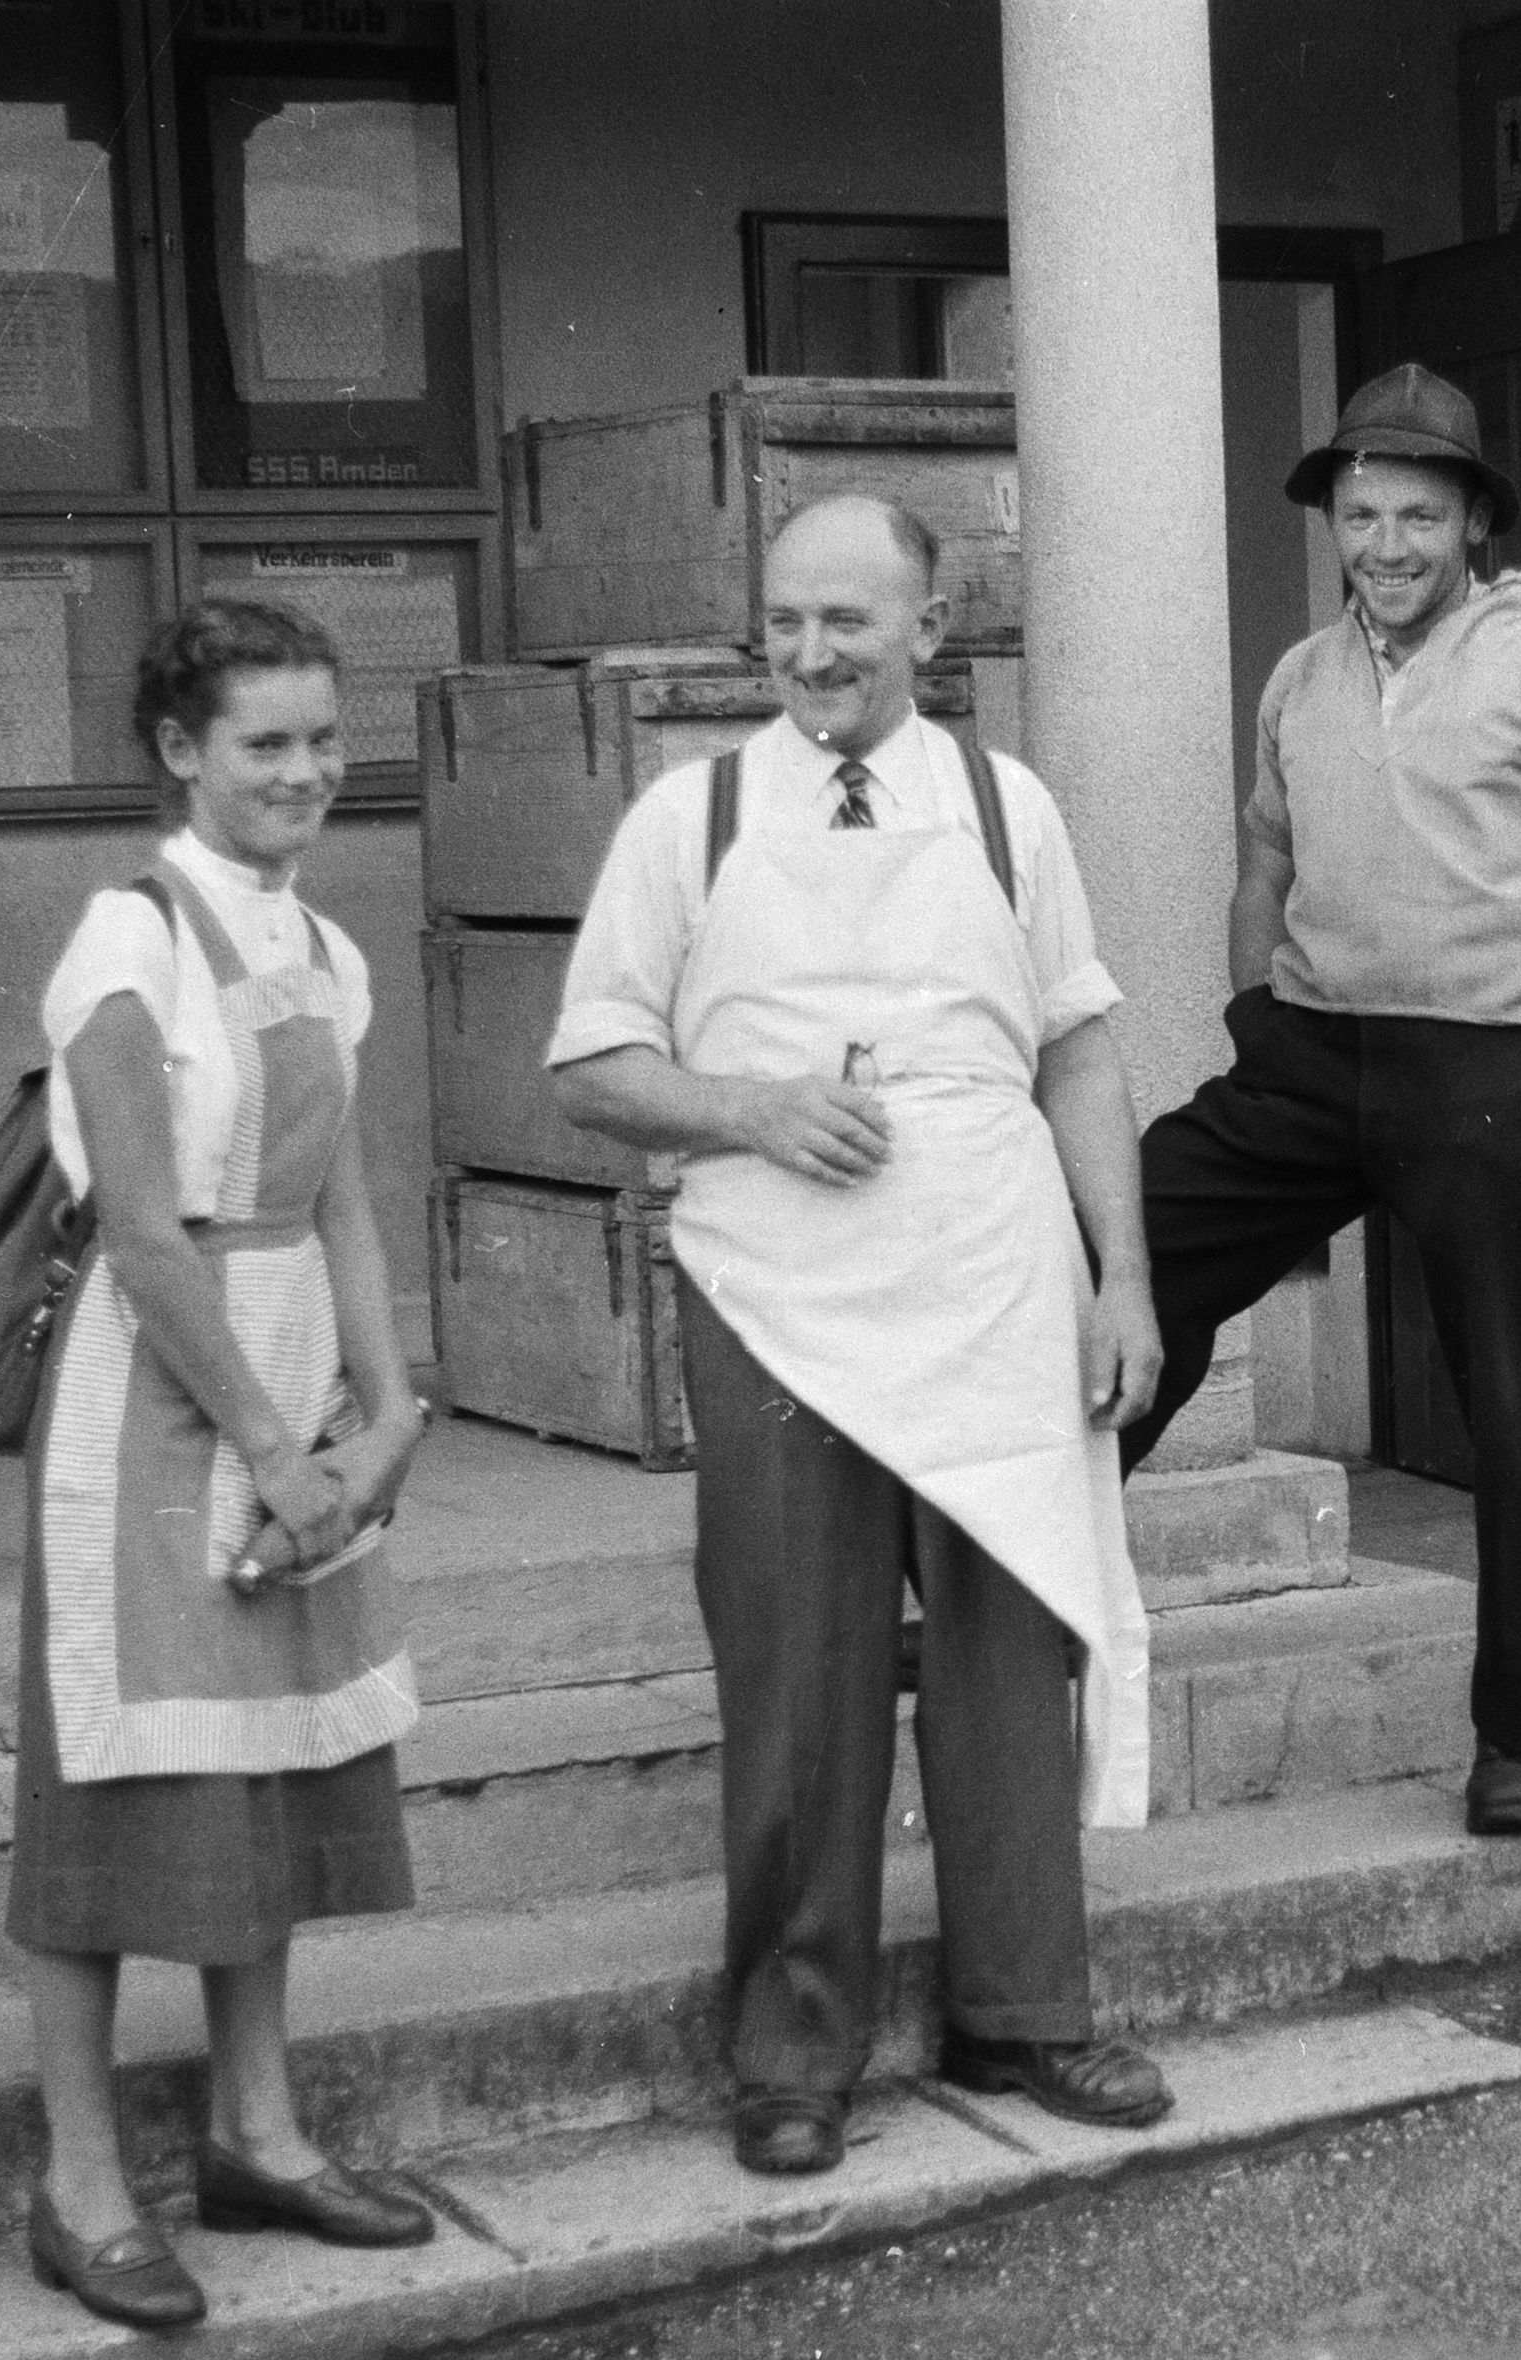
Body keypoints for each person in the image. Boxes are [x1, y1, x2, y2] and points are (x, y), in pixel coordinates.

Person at [551, 494, 1172, 2178]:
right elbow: (592, 1065)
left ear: (927, 627)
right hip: (776, 1297)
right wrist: (751, 1109)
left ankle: (1023, 2009)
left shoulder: (1006, 807)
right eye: (786, 621)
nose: (812, 653)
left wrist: (1120, 1277)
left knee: (1006, 1647)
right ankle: (791, 2051)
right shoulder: (689, 818)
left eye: (848, 620)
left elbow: (1079, 1052)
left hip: (990, 1277)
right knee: (796, 1671)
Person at [1123, 363, 1521, 1839]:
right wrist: (1253, 1017)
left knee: (1517, 1403)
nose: (1385, 545)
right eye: (1362, 514)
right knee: (1114, 1261)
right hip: (1311, 1058)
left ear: (1471, 523)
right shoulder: (1299, 679)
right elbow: (1263, 862)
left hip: (1489, 1066)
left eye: (1418, 516)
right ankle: (1022, 1598)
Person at [11, 599, 438, 2331]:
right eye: (266, 742)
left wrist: (387, 1413)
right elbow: (138, 1230)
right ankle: (80, 2186)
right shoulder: (127, 943)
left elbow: (342, 1198)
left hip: (297, 1385)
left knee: (273, 1769)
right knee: (115, 1789)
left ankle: (258, 2133)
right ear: (181, 752)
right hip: (156, 1395)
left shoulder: (322, 949)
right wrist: (273, 1445)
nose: (305, 771)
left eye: (324, 738)